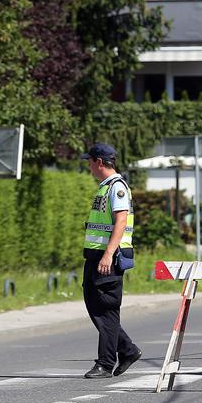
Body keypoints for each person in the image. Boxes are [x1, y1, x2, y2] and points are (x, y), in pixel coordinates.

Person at [80, 143, 141, 379]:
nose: (88, 166)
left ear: (99, 162)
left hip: (109, 256)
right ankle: (127, 350)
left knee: (106, 309)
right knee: (95, 305)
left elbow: (121, 221)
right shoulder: (105, 187)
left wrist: (107, 254)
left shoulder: (117, 188)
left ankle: (105, 363)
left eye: (90, 161)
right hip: (95, 255)